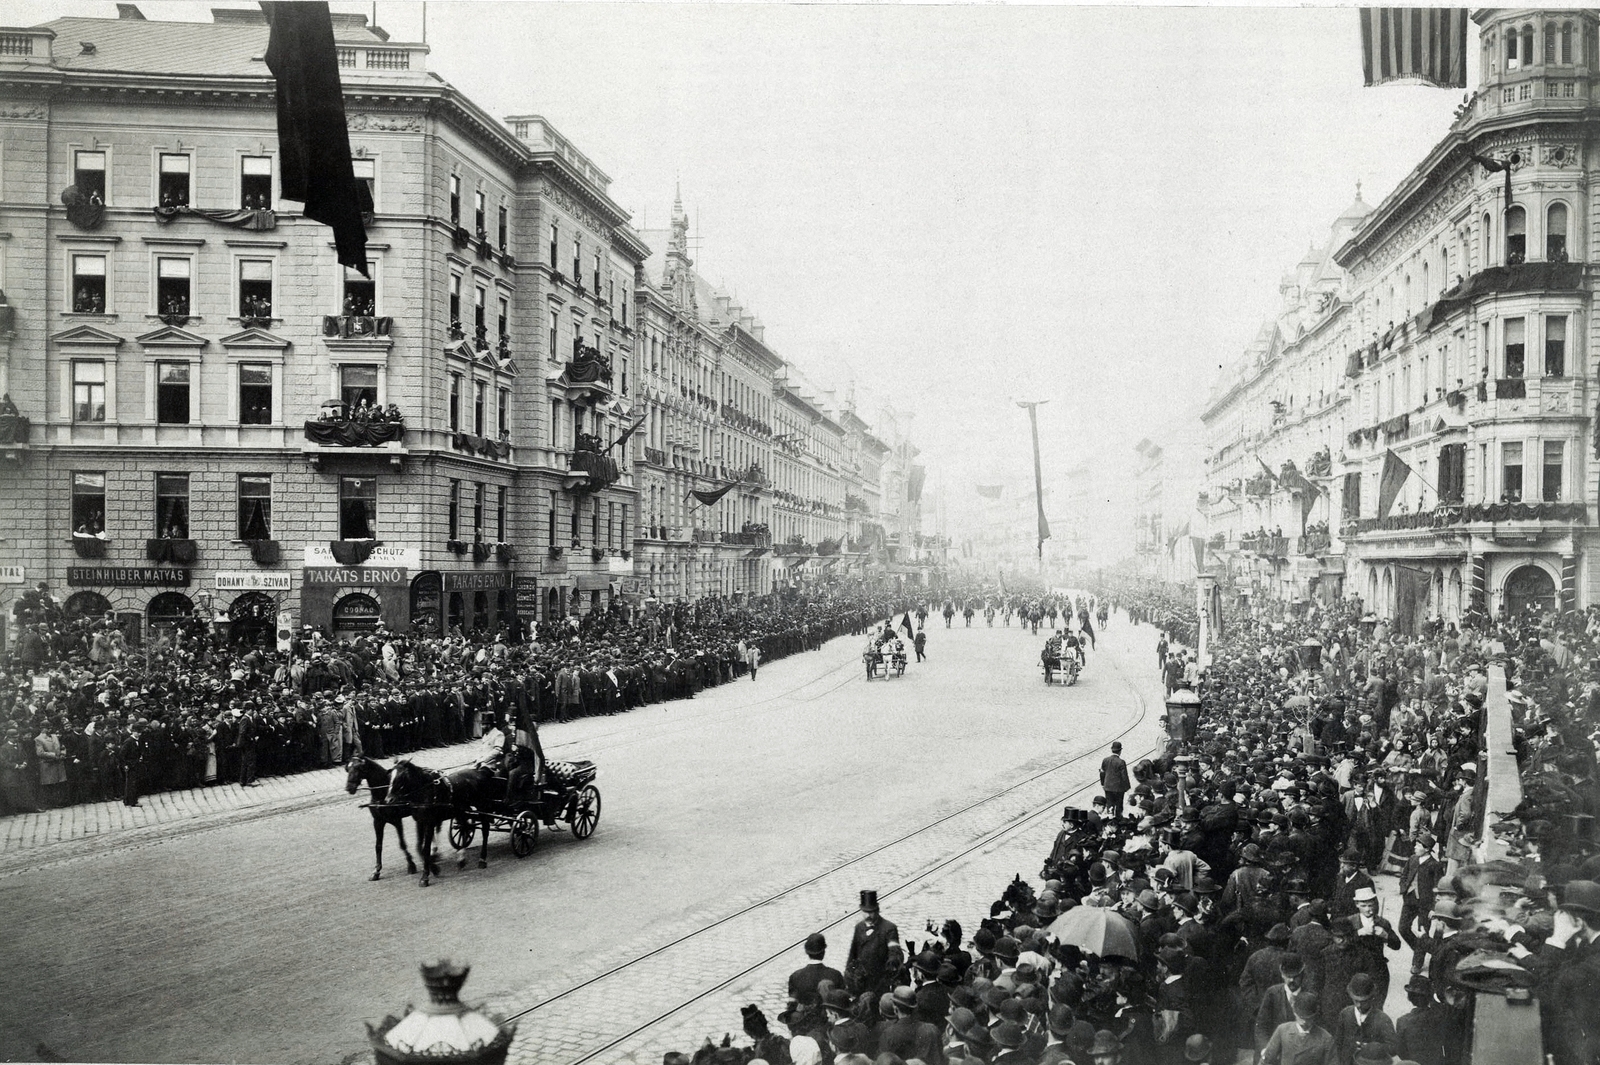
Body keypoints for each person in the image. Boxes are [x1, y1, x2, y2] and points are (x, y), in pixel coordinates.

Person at [845, 889, 900, 997]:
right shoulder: (859, 927)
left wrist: (892, 962)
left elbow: (894, 951)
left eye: (871, 912)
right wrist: (848, 978)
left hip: (879, 983)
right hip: (861, 982)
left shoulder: (889, 928)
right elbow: (853, 954)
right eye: (865, 912)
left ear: (877, 911)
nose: (868, 916)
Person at [1260, 990, 1335, 1065]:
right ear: (1294, 1012)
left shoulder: (1326, 1038)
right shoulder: (1283, 1030)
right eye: (1301, 1017)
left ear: (1315, 1016)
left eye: (1308, 1018)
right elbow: (1266, 1060)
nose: (1304, 1022)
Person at [1100, 741, 1130, 818]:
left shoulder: (1105, 760)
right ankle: (1118, 821)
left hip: (1108, 787)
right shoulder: (1121, 762)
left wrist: (1103, 784)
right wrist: (1127, 788)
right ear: (1120, 751)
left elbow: (1102, 773)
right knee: (1119, 806)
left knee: (1109, 805)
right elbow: (1124, 776)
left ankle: (1110, 820)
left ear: (1112, 750)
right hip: (1118, 789)